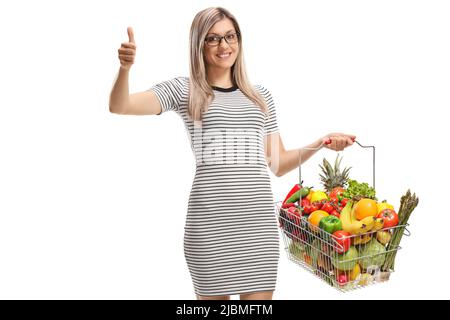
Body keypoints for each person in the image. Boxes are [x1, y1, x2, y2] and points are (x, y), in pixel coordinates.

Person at [109, 7, 355, 300]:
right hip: (210, 228)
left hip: (257, 228)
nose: (224, 46)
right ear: (198, 44)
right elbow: (120, 105)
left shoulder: (260, 97)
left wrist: (321, 142)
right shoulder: (185, 90)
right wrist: (125, 69)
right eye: (212, 39)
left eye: (230, 36)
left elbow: (278, 164)